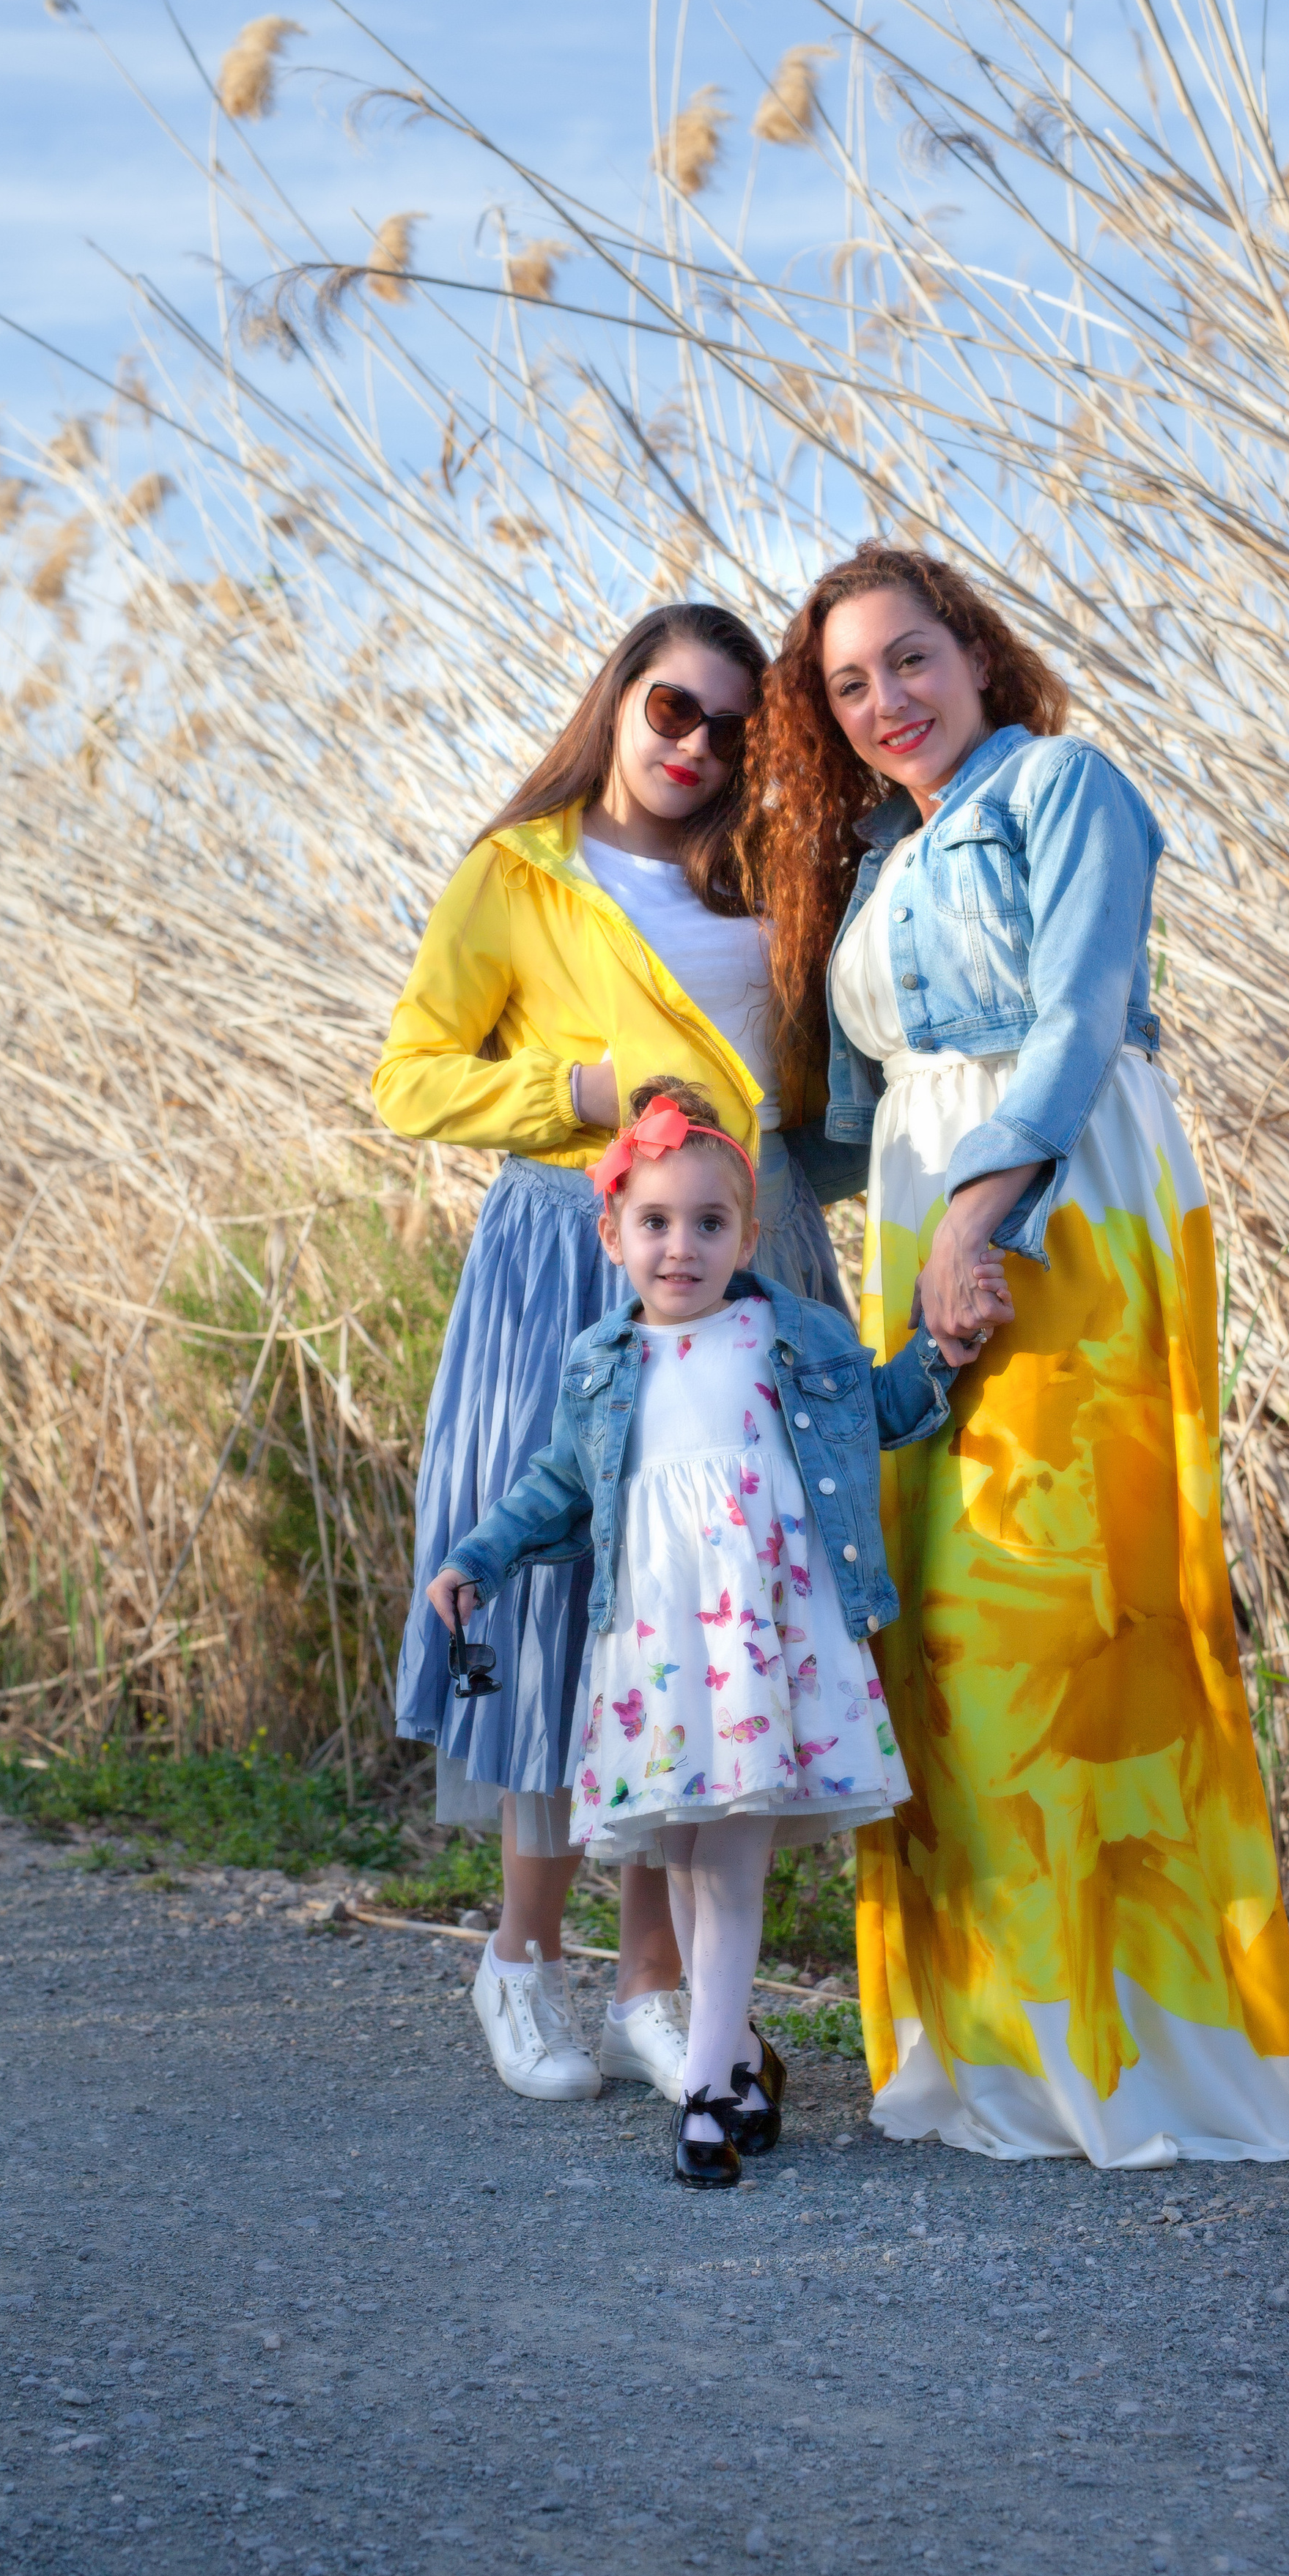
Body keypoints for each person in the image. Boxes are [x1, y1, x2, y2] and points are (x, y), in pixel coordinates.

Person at [738, 541, 1289, 2167]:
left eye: (909, 661)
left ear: (980, 656)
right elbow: (844, 1135)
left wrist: (974, 1222)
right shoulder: (877, 862)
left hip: (1067, 1222)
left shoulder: (1063, 786)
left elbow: (1075, 1025)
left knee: (1059, 1626)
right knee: (936, 1638)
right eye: (848, 684)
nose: (884, 703)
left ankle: (1130, 2054)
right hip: (920, 1242)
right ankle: (990, 2047)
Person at [372, 604, 860, 2108]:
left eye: (730, 727)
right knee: (558, 1593)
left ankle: (655, 1981)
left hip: (752, 1258)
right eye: (671, 710)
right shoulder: (516, 873)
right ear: (616, 702)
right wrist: (584, 1083)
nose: (695, 746)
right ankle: (521, 1959)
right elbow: (409, 1075)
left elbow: (816, 1097)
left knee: (690, 1601)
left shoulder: (773, 880)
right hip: (568, 1258)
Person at [437, 1079, 959, 2185]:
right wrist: (477, 1559)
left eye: (709, 1223)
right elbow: (554, 1490)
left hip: (762, 1644)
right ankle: (731, 2067)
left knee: (727, 1866)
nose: (683, 1247)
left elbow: (887, 1411)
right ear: (614, 1233)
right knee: (682, 1855)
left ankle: (712, 2093)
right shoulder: (600, 1365)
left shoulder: (787, 1334)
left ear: (747, 1233)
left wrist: (945, 1345)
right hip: (662, 1656)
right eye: (657, 1223)